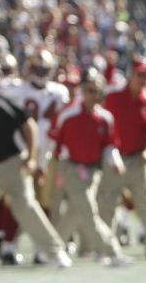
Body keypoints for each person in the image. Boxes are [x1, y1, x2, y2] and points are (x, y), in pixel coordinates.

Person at [0, 56, 71, 271]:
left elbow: (29, 126)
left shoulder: (0, 102)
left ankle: (55, 251)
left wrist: (32, 157)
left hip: (13, 162)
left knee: (26, 207)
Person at [49, 70, 130, 266]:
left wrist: (116, 162)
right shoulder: (68, 114)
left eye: (96, 91)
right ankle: (112, 251)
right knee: (88, 210)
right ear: (82, 91)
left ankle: (51, 248)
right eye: (89, 90)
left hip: (93, 171)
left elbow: (110, 145)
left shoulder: (105, 118)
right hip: (71, 168)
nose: (93, 94)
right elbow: (55, 144)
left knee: (76, 212)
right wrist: (55, 170)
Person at [99, 57, 146, 264]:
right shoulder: (113, 97)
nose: (143, 79)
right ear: (130, 75)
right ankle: (106, 250)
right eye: (140, 74)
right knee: (107, 204)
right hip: (115, 158)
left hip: (138, 160)